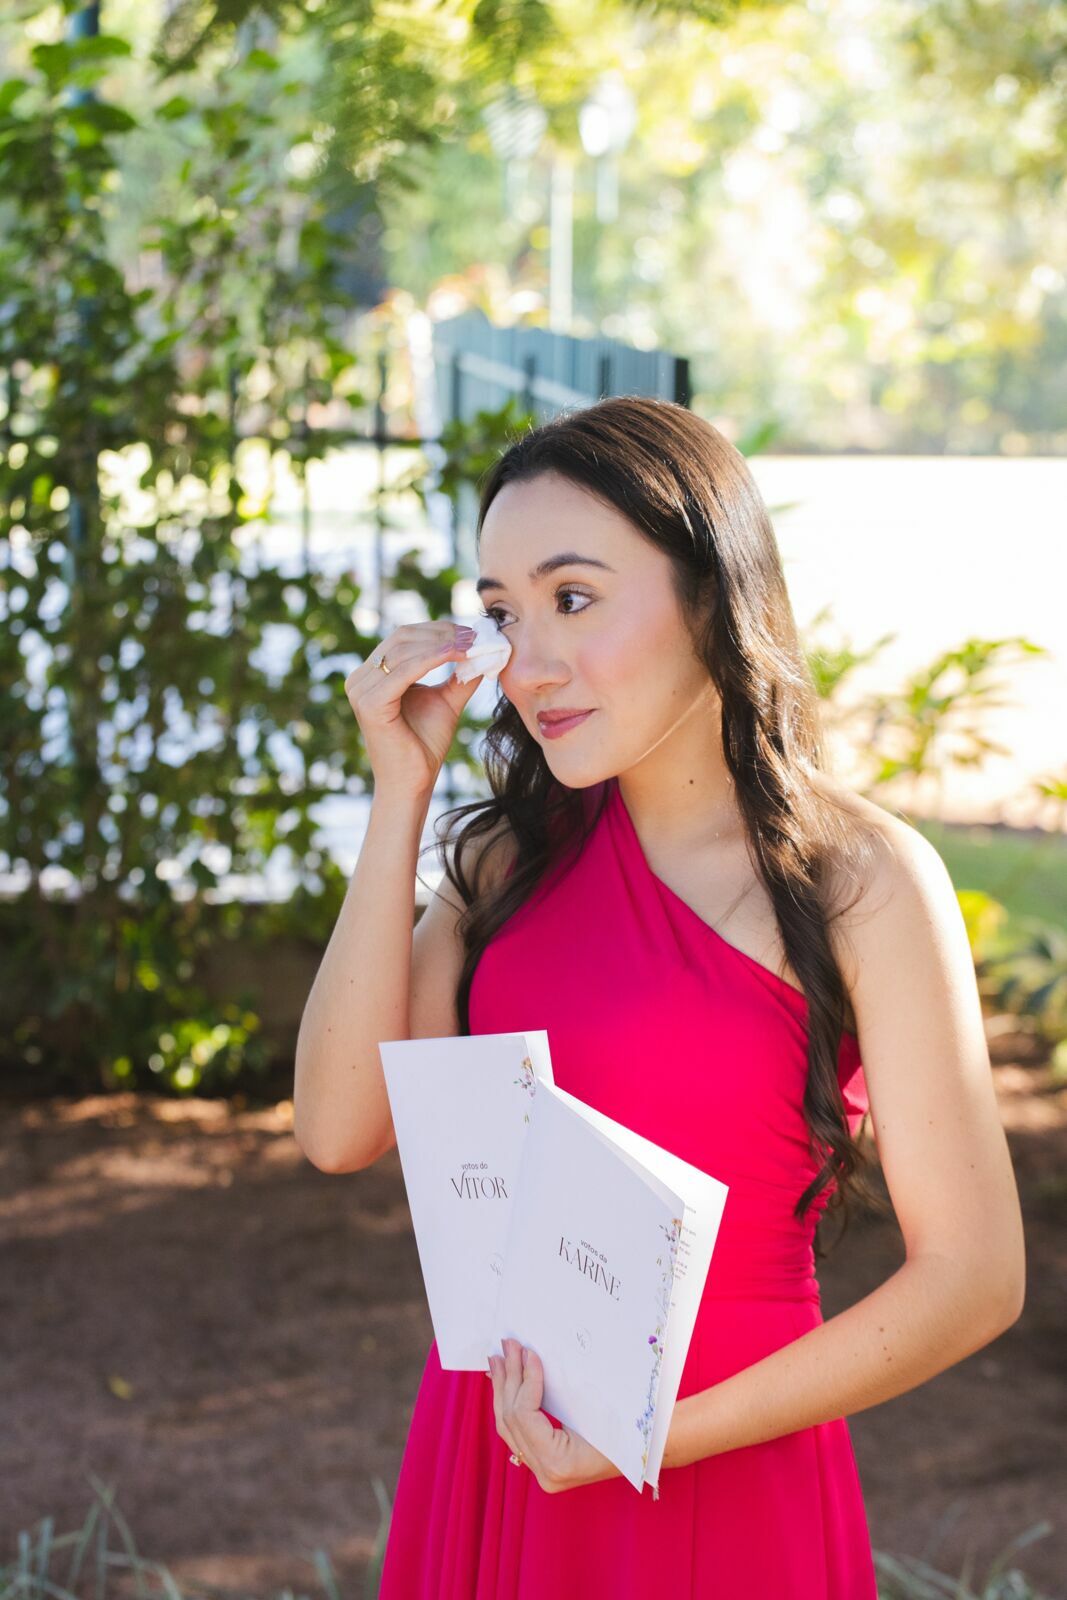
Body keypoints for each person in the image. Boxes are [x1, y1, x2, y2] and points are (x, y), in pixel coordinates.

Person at [293, 396, 1026, 1598]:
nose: (526, 666)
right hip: (500, 1451)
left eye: (572, 599)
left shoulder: (860, 880)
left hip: (729, 1463)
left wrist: (648, 1437)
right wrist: (399, 796)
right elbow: (335, 1129)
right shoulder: (504, 863)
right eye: (499, 614)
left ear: (707, 593)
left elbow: (975, 1275)